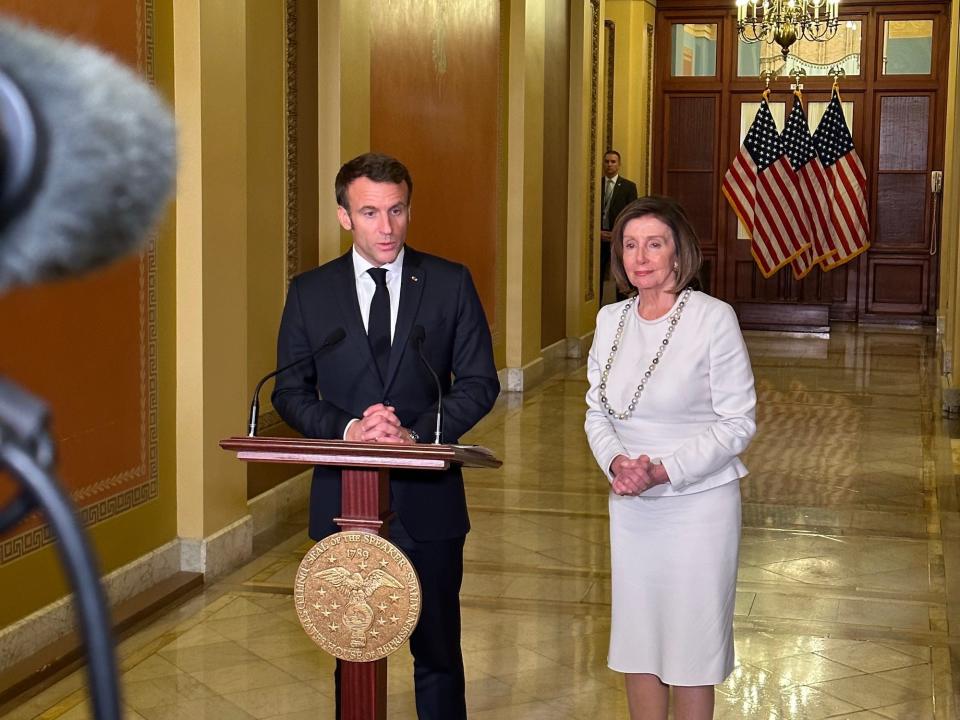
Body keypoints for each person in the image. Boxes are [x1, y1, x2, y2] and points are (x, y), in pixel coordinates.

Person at [272, 152, 500, 720]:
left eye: (396, 211)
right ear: (344, 216)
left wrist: (415, 433)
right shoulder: (310, 292)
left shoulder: (449, 283)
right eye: (370, 212)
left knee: (439, 650)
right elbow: (289, 392)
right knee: (352, 651)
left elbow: (479, 383)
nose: (387, 227)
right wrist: (349, 428)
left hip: (430, 501)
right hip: (342, 503)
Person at [583, 196, 756, 720]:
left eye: (654, 244)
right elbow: (596, 411)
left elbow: (737, 422)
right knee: (638, 640)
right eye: (630, 245)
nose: (641, 257)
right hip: (633, 504)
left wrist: (665, 470)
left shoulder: (712, 318)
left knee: (691, 650)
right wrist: (618, 465)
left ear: (678, 253)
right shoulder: (610, 319)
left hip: (697, 505)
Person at [599, 150, 638, 303]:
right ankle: (597, 307)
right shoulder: (596, 184)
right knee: (598, 274)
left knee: (620, 273)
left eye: (613, 162)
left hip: (619, 237)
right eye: (607, 161)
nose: (609, 165)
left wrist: (617, 233)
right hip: (598, 236)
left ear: (619, 165)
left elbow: (631, 213)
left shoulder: (628, 186)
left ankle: (622, 305)